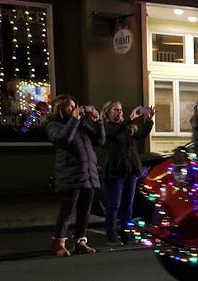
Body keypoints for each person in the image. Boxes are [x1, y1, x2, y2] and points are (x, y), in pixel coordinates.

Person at [46, 94, 105, 256]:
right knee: (66, 211)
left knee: (84, 212)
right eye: (70, 107)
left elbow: (99, 140)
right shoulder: (54, 125)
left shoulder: (81, 124)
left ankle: (81, 241)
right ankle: (59, 243)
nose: (74, 109)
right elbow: (64, 139)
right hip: (70, 175)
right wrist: (74, 120)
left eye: (74, 106)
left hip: (88, 174)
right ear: (60, 109)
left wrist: (98, 121)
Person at [100, 100, 154, 245]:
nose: (119, 112)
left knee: (128, 204)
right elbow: (113, 133)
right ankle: (111, 235)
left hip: (131, 168)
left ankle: (126, 233)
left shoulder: (126, 126)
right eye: (115, 110)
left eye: (120, 110)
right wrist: (129, 119)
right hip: (116, 169)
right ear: (107, 113)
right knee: (114, 204)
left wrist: (149, 121)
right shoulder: (106, 127)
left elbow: (140, 135)